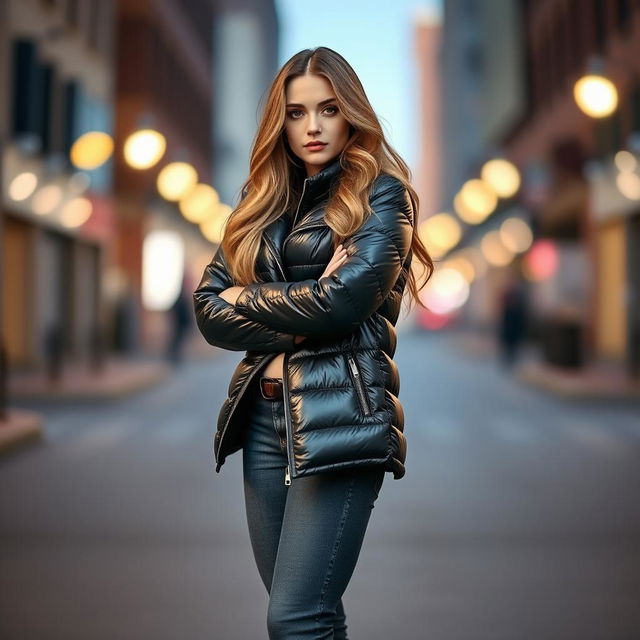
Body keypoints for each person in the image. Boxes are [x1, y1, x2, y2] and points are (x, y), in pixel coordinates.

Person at [193, 46, 433, 640]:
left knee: (295, 618)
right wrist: (311, 300)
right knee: (308, 615)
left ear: (351, 112)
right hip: (262, 419)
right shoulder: (261, 203)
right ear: (281, 121)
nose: (313, 126)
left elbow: (346, 302)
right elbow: (207, 309)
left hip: (342, 417)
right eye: (297, 113)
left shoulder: (382, 196)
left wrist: (252, 300)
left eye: (327, 109)